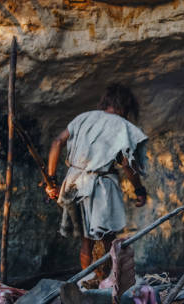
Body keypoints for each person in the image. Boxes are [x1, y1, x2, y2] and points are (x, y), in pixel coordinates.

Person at [46, 83, 148, 284]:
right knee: (109, 239)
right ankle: (109, 283)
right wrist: (139, 189)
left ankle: (88, 282)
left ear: (106, 102)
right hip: (101, 186)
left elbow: (57, 142)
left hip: (74, 183)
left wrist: (51, 181)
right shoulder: (120, 125)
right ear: (126, 106)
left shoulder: (83, 118)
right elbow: (126, 164)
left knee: (86, 240)